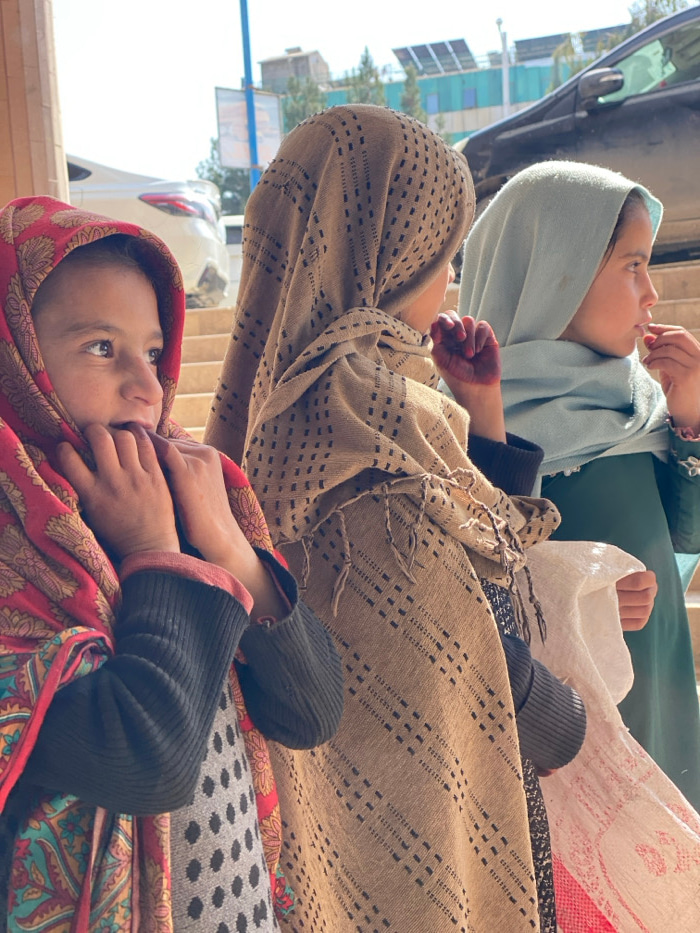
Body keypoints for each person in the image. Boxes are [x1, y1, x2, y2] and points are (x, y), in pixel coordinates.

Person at [205, 104, 586, 932]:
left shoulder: (264, 425)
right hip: (426, 865)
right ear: (388, 258)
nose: (449, 284)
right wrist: (566, 720)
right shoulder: (376, 449)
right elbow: (482, 655)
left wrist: (481, 414)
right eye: (445, 259)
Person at [0, 196, 344, 931]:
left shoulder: (182, 500)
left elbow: (310, 711)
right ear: (15, 357)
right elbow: (144, 758)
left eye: (153, 352)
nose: (148, 386)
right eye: (101, 347)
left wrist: (228, 547)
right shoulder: (17, 549)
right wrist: (152, 551)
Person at [458, 160, 700, 809]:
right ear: (553, 272)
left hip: (659, 693)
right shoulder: (473, 416)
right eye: (632, 266)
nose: (651, 293)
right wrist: (574, 602)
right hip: (557, 729)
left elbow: (688, 535)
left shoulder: (639, 403)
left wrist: (691, 420)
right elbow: (472, 589)